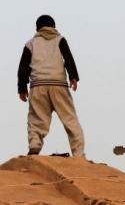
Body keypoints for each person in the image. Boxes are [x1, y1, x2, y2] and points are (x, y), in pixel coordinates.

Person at [17, 15, 85, 158]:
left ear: (37, 28)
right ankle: (78, 154)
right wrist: (73, 77)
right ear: (53, 26)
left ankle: (35, 145)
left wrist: (22, 88)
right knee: (70, 119)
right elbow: (68, 58)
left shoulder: (31, 44)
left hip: (38, 86)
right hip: (59, 85)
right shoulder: (59, 40)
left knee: (36, 120)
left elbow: (23, 67)